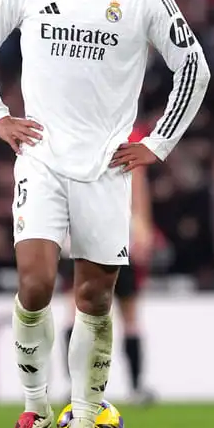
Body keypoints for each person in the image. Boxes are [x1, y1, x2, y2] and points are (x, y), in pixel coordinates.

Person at [0, 0, 210, 428]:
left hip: (106, 164)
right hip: (42, 156)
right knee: (35, 283)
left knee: (95, 299)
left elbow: (193, 67)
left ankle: (85, 424)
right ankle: (33, 409)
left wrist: (160, 142)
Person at [62, 123, 159, 405]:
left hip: (118, 228)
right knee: (77, 309)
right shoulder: (77, 125)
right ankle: (76, 386)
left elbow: (137, 178)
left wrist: (141, 224)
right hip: (88, 227)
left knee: (124, 311)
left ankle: (136, 386)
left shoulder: (124, 130)